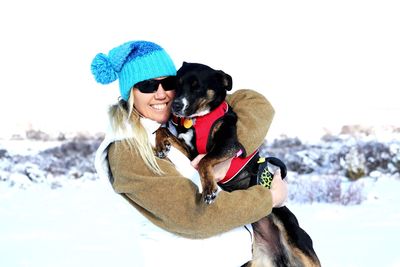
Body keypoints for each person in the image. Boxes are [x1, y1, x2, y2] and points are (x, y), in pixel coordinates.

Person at [91, 40, 287, 267]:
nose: (162, 94)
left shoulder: (176, 123)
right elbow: (194, 217)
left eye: (169, 83)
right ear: (130, 93)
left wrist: (227, 154)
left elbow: (256, 104)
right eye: (147, 86)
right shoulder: (128, 149)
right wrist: (271, 198)